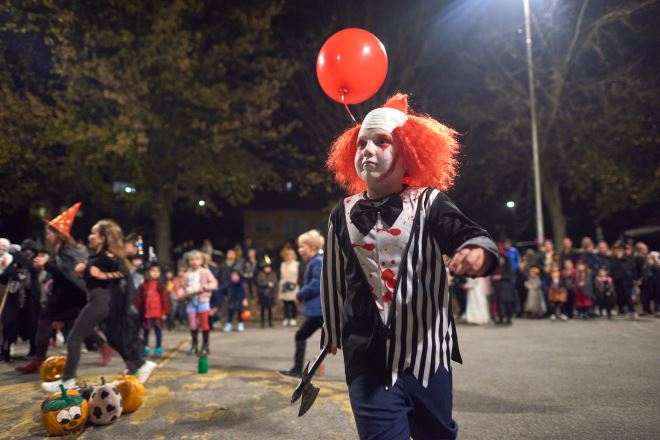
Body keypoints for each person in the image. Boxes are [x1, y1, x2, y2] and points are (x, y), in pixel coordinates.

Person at [318, 94, 497, 439]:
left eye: (381, 141)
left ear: (409, 152)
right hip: (366, 360)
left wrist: (477, 251)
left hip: (427, 356)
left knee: (437, 434)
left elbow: (468, 234)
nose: (367, 150)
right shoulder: (342, 212)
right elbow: (333, 275)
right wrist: (332, 329)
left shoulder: (430, 202)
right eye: (361, 143)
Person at [41, 219, 156, 393]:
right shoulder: (99, 255)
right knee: (113, 338)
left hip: (101, 301)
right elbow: (96, 276)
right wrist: (84, 272)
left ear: (103, 237)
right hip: (99, 300)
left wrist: (102, 275)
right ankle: (140, 365)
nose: (90, 236)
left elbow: (124, 271)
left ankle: (67, 381)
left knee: (74, 337)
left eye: (94, 233)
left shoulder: (108, 255)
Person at [15, 204, 111, 374]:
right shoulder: (62, 250)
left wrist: (46, 264)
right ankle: (104, 347)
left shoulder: (68, 251)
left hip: (70, 297)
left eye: (50, 233)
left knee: (46, 321)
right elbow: (63, 272)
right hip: (67, 297)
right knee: (75, 324)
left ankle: (39, 361)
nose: (48, 236)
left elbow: (68, 272)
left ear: (58, 235)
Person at [280, 229, 325, 378]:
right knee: (330, 341)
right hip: (319, 311)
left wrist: (299, 294)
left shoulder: (317, 261)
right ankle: (299, 368)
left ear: (312, 247)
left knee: (300, 335)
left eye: (302, 246)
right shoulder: (315, 261)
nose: (299, 250)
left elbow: (316, 284)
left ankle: (297, 369)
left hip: (319, 311)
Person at [0, 239, 41, 361]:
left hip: (30, 300)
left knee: (32, 325)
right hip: (14, 298)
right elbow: (3, 279)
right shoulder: (14, 262)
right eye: (26, 251)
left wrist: (17, 255)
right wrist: (10, 271)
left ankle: (33, 350)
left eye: (31, 251)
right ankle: (5, 351)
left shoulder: (35, 262)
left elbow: (31, 268)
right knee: (9, 324)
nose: (28, 253)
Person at [174, 250, 218, 355]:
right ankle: (194, 345)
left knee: (204, 323)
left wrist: (206, 287)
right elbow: (182, 287)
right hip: (190, 301)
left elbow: (214, 283)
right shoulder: (186, 275)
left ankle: (205, 345)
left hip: (203, 300)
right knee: (193, 324)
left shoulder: (205, 272)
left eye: (197, 259)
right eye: (192, 259)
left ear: (201, 261)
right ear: (188, 261)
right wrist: (181, 293)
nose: (194, 262)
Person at [134, 262, 170, 358]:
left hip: (158, 313)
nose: (155, 273)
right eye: (153, 270)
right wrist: (137, 309)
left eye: (157, 271)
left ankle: (158, 348)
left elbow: (165, 300)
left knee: (158, 332)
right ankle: (145, 347)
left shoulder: (161, 286)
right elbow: (139, 300)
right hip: (146, 314)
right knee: (146, 331)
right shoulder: (143, 286)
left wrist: (165, 312)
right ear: (147, 272)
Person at [278, 248, 300, 326]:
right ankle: (286, 318)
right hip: (284, 285)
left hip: (293, 285)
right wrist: (280, 287)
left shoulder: (296, 264)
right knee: (285, 303)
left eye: (290, 255)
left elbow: (298, 275)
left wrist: (297, 284)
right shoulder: (283, 264)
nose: (289, 256)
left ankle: (293, 318)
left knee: (293, 302)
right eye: (287, 255)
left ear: (293, 255)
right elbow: (281, 276)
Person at [491, 254, 515, 325]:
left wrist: (500, 277)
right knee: (499, 304)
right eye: (500, 259)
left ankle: (508, 318)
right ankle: (500, 318)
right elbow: (492, 276)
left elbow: (510, 276)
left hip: (506, 288)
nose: (501, 260)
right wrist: (493, 279)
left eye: (502, 259)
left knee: (507, 303)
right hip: (497, 288)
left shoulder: (508, 266)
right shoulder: (496, 267)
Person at [256, 259, 277, 328]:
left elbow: (275, 281)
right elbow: (259, 283)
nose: (267, 269)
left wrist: (272, 284)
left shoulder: (273, 274)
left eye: (268, 268)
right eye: (266, 268)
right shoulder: (260, 275)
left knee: (269, 308)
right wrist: (267, 284)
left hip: (270, 293)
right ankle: (262, 322)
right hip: (262, 293)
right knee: (262, 308)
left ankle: (270, 321)